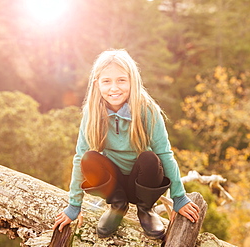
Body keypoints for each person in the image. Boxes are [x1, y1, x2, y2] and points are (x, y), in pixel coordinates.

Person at [53, 49, 200, 239]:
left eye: (121, 80)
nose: (114, 88)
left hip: (143, 183)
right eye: (107, 81)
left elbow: (165, 154)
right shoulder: (92, 113)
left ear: (132, 80)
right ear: (97, 84)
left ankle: (146, 210)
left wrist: (179, 198)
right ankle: (117, 205)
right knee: (89, 158)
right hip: (114, 184)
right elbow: (80, 156)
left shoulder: (147, 110)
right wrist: (74, 206)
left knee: (150, 158)